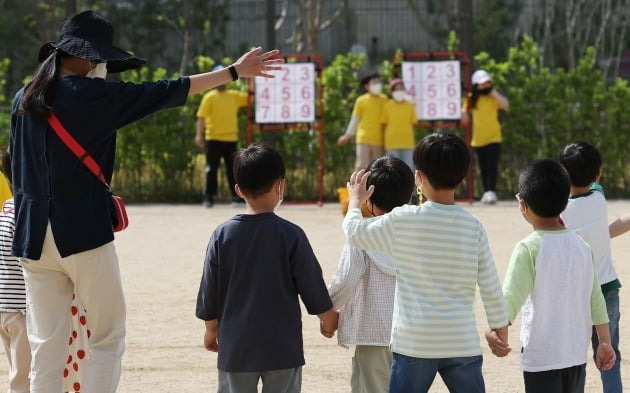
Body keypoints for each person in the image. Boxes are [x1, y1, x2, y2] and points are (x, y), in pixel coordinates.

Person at [10, 10, 282, 393]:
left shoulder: (24, 97)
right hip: (83, 232)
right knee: (106, 337)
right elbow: (171, 89)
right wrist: (234, 72)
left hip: (32, 237)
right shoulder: (97, 96)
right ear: (89, 58)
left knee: (46, 345)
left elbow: (17, 167)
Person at [344, 132, 509, 393]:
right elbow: (490, 285)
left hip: (414, 342)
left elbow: (355, 233)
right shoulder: (473, 226)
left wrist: (355, 199)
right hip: (461, 340)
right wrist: (500, 331)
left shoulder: (404, 219)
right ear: (463, 176)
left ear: (419, 178)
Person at [196, 144, 338, 393]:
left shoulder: (222, 235)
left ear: (238, 189)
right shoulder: (291, 235)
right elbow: (311, 283)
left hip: (236, 347)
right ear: (280, 185)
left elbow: (210, 289)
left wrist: (211, 329)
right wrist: (328, 319)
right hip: (282, 348)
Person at [486, 159, 616, 393]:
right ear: (565, 205)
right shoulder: (582, 247)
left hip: (541, 357)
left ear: (522, 206)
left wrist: (496, 329)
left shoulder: (528, 248)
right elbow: (596, 299)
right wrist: (604, 342)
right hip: (575, 354)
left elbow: (510, 297)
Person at [328, 156, 414, 393]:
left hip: (373, 334)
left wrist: (327, 309)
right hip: (414, 335)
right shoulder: (421, 231)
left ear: (370, 201)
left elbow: (346, 279)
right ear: (409, 195)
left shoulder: (362, 235)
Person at [558, 142, 623, 393]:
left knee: (572, 358)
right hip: (606, 289)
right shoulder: (599, 197)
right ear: (598, 174)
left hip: (573, 294)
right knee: (609, 354)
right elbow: (594, 186)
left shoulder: (558, 211)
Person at [195, 65, 249, 207]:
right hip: (213, 138)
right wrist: (199, 135)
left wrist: (252, 81)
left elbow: (250, 98)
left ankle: (236, 197)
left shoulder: (233, 96)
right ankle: (209, 197)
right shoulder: (209, 97)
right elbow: (201, 118)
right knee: (211, 169)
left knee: (233, 169)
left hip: (231, 139)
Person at [461, 70, 509, 204]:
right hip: (479, 139)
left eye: (487, 83)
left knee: (492, 165)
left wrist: (495, 94)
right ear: (476, 85)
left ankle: (491, 192)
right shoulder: (471, 98)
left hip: (494, 137)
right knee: (483, 167)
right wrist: (463, 112)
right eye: (482, 84)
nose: (485, 86)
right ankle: (487, 192)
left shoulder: (493, 98)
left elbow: (505, 105)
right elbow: (465, 115)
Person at [338, 74, 388, 171]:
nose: (377, 85)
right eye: (374, 82)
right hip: (363, 138)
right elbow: (355, 119)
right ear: (366, 86)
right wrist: (347, 135)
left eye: (379, 82)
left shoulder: (385, 100)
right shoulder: (361, 100)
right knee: (361, 166)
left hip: (379, 140)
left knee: (377, 168)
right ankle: (357, 186)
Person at [380, 79, 416, 171]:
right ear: (391, 92)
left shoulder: (410, 106)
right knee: (393, 169)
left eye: (401, 89)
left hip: (408, 142)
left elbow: (413, 124)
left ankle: (409, 185)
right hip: (391, 142)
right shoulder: (387, 106)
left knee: (409, 168)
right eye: (396, 89)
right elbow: (384, 125)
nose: (399, 91)